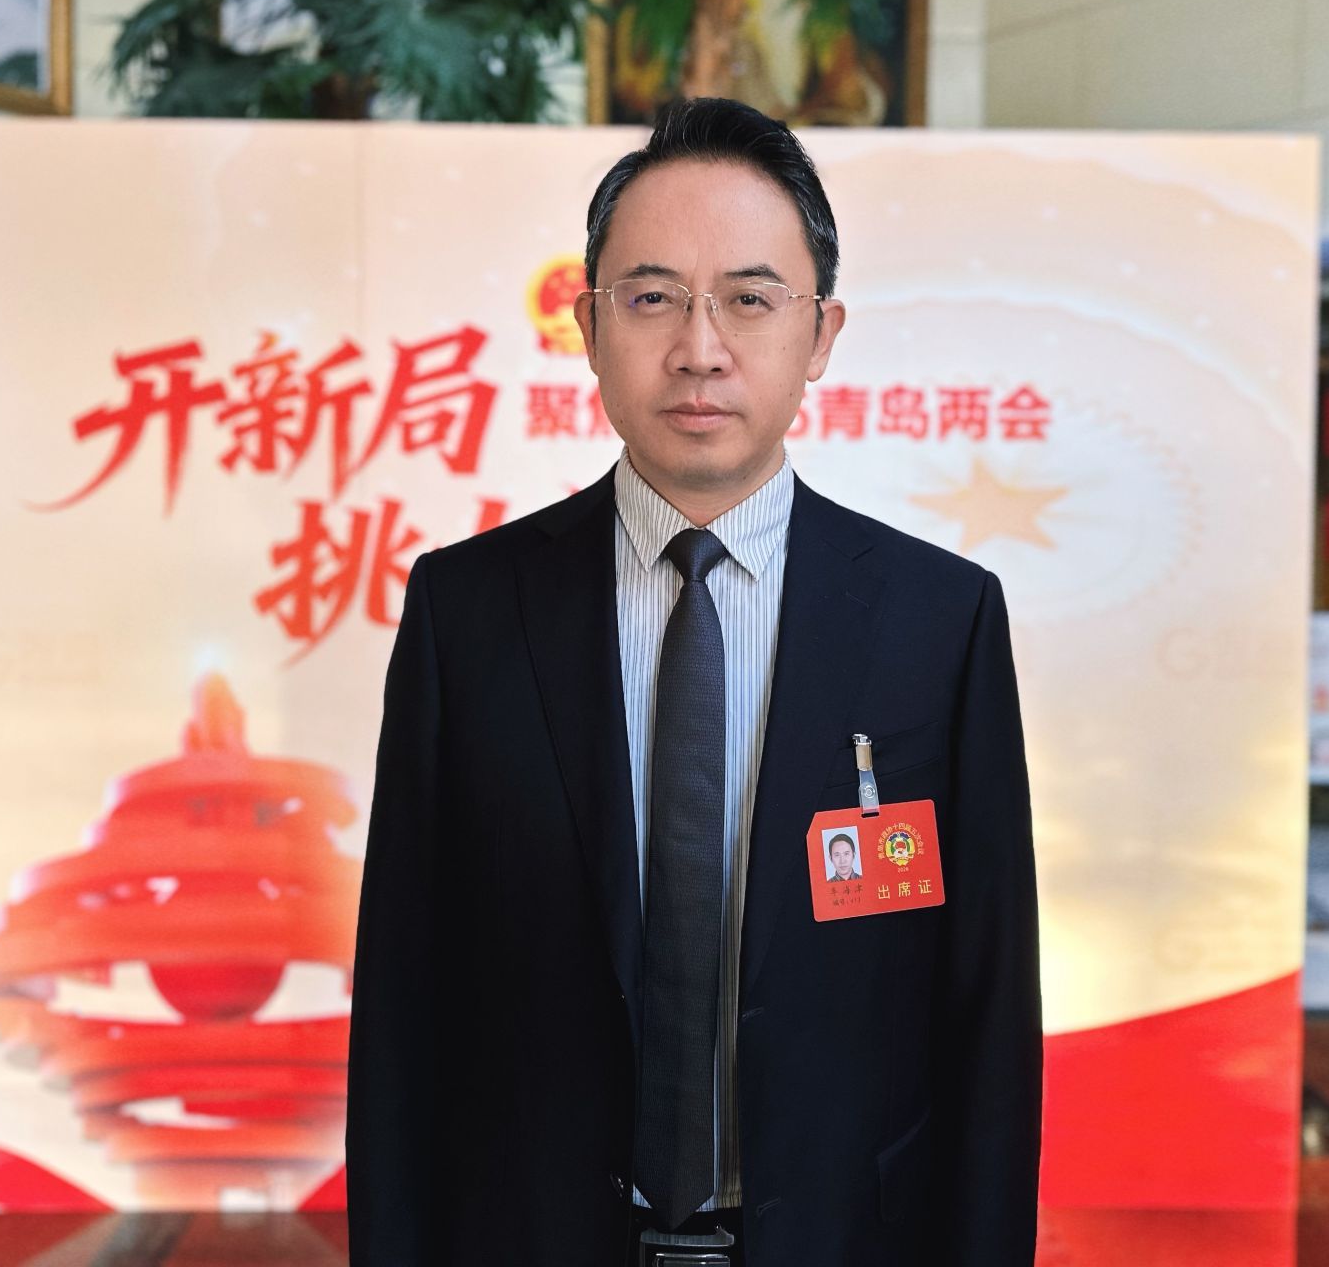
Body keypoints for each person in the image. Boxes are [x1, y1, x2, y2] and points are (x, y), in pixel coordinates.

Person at [347, 96, 1041, 1267]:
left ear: (820, 335)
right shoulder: (468, 613)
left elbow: (987, 1016)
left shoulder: (940, 621)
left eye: (750, 300)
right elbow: (405, 1008)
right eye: (654, 297)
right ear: (588, 325)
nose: (700, 349)